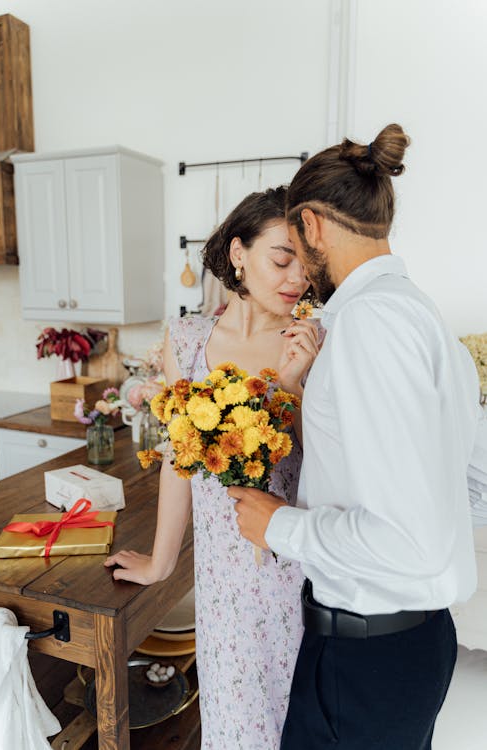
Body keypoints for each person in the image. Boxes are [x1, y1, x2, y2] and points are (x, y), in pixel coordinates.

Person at [229, 124, 482, 749]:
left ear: (312, 225)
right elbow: (473, 484)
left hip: (367, 656)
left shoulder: (370, 326)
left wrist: (278, 526)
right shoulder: (419, 317)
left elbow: (410, 542)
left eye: (294, 243)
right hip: (402, 645)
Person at [105, 186, 321, 749]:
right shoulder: (189, 340)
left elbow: (326, 459)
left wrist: (295, 387)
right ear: (238, 254)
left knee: (289, 721)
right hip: (222, 578)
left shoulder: (311, 344)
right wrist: (160, 562)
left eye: (305, 260)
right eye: (281, 257)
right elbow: (181, 461)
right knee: (230, 722)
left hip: (292, 568)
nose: (296, 275)